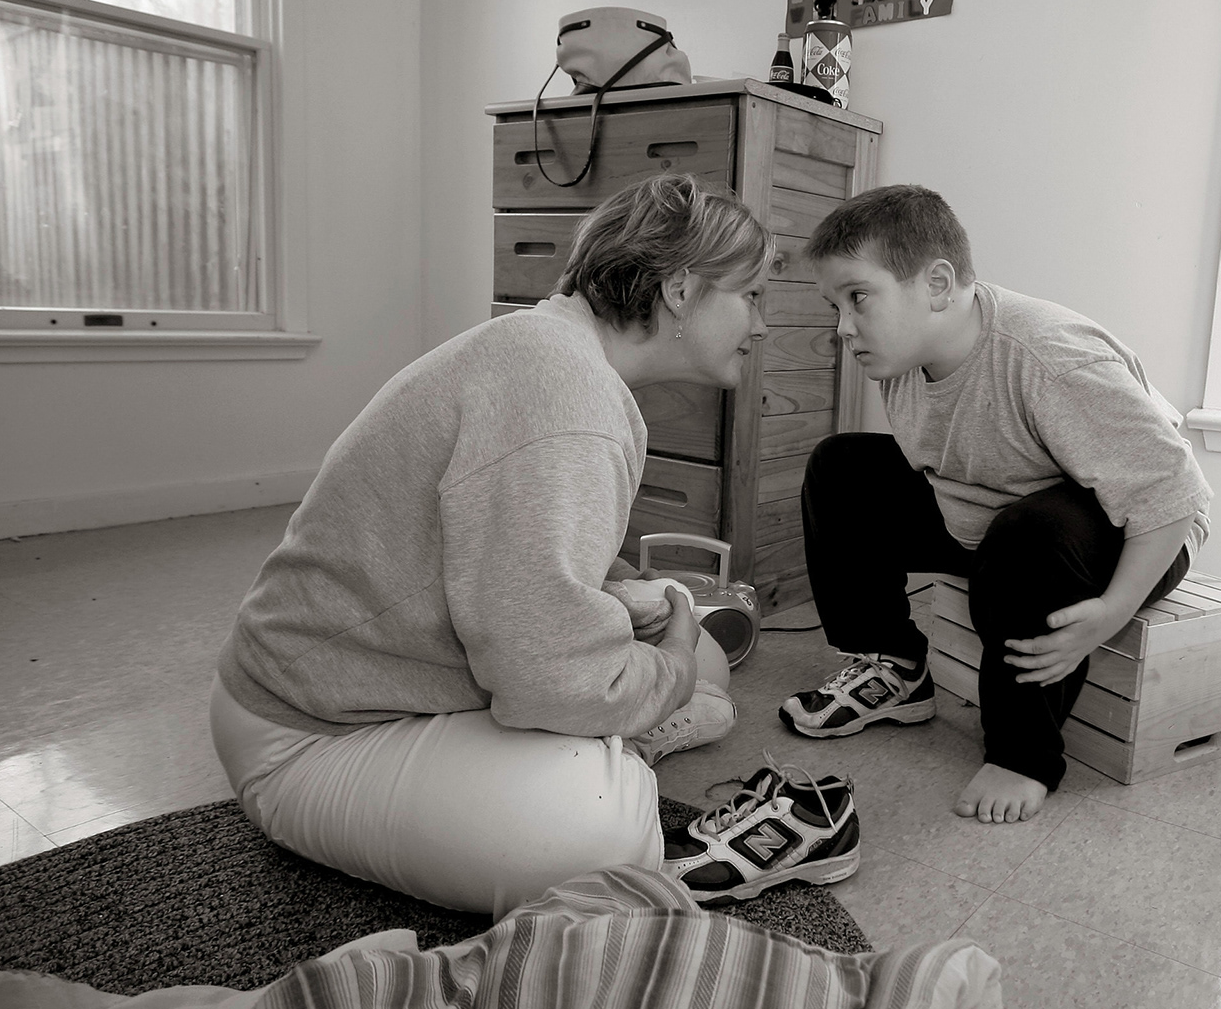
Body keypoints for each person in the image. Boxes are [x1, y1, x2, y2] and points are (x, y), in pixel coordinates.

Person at [209, 175, 841, 916]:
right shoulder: (566, 395)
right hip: (308, 736)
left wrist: (647, 642)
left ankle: (605, 736)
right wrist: (660, 666)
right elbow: (542, 675)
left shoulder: (550, 352)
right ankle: (610, 756)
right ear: (678, 289)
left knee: (701, 665)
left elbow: (521, 565)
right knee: (600, 834)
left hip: (408, 677)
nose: (761, 326)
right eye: (753, 295)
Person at [779, 186, 1211, 824]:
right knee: (840, 466)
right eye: (835, 305)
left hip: (1139, 528)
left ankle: (1025, 756)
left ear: (938, 283)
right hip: (989, 509)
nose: (843, 327)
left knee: (1027, 536)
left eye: (858, 298)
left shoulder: (1050, 358)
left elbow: (1172, 494)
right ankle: (892, 667)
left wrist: (1112, 612)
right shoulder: (904, 354)